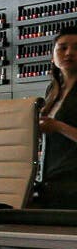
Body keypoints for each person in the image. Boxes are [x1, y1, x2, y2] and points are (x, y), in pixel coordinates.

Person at [38, 27, 77, 208]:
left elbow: (55, 127)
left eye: (76, 48)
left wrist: (58, 126)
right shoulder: (52, 90)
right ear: (52, 56)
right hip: (51, 179)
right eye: (62, 48)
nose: (69, 53)